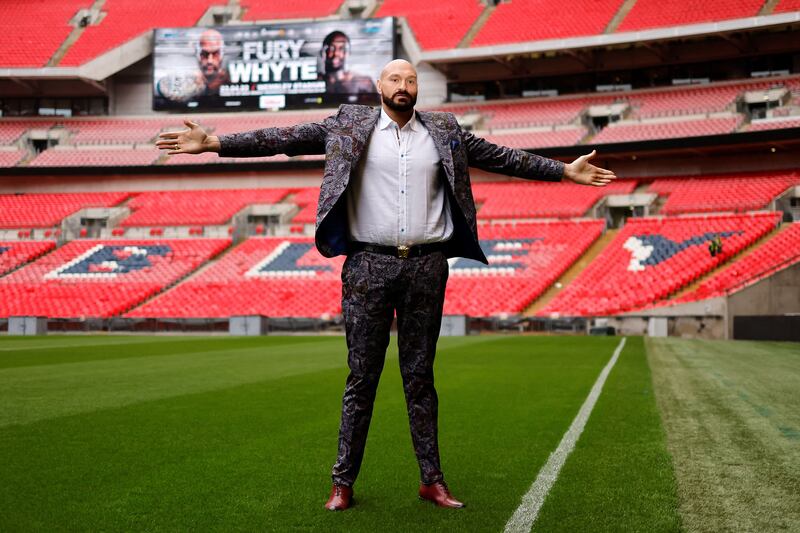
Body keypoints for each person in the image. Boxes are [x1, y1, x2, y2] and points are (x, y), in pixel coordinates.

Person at [156, 59, 617, 512]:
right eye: (395, 78)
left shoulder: (444, 130)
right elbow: (283, 138)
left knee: (421, 379)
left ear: (418, 89)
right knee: (362, 378)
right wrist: (215, 142)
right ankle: (343, 483)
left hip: (426, 266)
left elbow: (502, 156)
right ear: (379, 85)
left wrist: (562, 171)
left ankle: (431, 481)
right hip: (367, 267)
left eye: (411, 79)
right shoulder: (349, 124)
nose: (404, 85)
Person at [317, 31, 375, 96]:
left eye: (341, 48)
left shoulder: (364, 82)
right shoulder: (314, 82)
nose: (336, 53)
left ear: (347, 53)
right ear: (322, 52)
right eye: (331, 48)